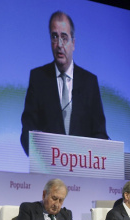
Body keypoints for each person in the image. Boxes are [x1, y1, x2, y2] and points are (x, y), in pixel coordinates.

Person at [20, 11, 109, 155]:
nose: (59, 45)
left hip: (83, 171)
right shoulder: (38, 78)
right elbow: (27, 132)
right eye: (54, 37)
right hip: (47, 171)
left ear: (73, 43)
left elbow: (100, 134)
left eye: (64, 37)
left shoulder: (90, 82)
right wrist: (41, 158)